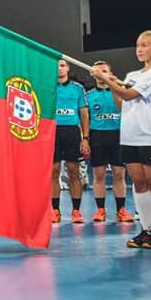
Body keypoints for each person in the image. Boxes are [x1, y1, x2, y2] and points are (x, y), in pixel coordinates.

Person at [93, 31, 151, 249]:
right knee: (138, 183)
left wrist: (106, 79)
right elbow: (122, 103)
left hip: (149, 134)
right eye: (137, 45)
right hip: (129, 134)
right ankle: (146, 231)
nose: (139, 49)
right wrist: (111, 83)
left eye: (145, 45)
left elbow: (129, 95)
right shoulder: (131, 75)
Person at [86, 61, 129, 223]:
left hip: (118, 135)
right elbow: (85, 119)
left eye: (104, 71)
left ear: (110, 73)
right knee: (99, 175)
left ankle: (121, 210)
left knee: (119, 174)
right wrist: (86, 139)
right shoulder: (88, 96)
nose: (101, 73)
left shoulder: (120, 91)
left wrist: (115, 87)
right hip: (97, 136)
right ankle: (100, 210)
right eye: (98, 71)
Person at [52, 59, 90, 224]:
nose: (59, 68)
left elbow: (84, 114)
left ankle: (76, 211)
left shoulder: (78, 88)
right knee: (53, 173)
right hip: (52, 133)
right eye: (56, 65)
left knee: (74, 172)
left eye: (62, 65)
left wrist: (86, 138)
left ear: (68, 68)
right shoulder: (47, 87)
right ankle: (55, 211)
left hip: (72, 133)